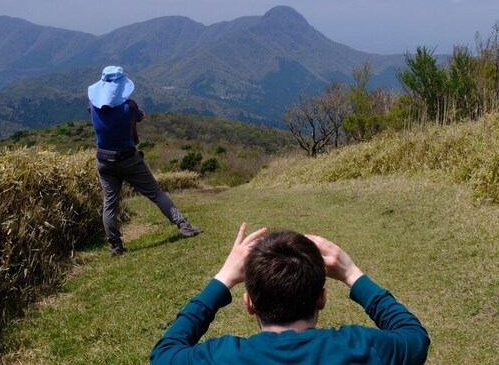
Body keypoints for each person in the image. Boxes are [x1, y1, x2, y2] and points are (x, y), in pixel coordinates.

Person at [150, 223, 430, 364]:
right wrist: (351, 273)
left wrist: (222, 279)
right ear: (322, 298)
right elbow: (414, 336)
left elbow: (164, 354)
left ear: (249, 303)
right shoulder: (359, 348)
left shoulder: (222, 357)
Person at [88, 65, 201, 256]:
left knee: (110, 203)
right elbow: (141, 116)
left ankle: (115, 246)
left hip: (104, 160)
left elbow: (97, 106)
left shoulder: (92, 105)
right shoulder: (129, 107)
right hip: (128, 158)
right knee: (155, 193)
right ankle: (183, 225)